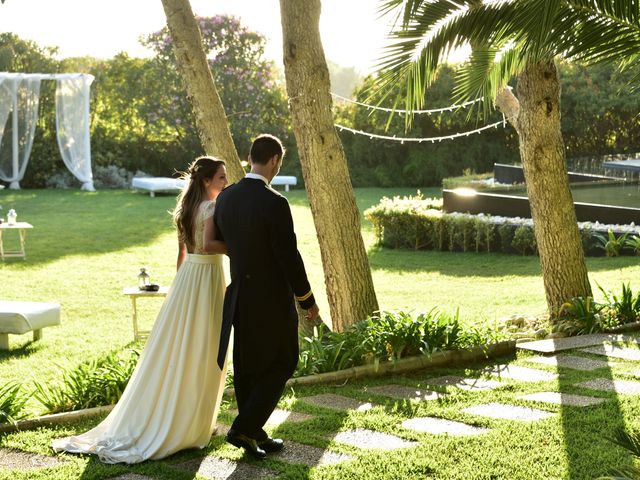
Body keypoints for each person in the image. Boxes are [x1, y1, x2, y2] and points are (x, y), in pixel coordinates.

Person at [52, 157, 229, 464]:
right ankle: (192, 423)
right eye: (222, 178)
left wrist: (177, 292)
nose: (225, 183)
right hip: (207, 278)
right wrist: (237, 244)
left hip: (188, 279)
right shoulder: (211, 209)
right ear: (206, 181)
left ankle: (196, 420)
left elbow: (182, 254)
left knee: (187, 348)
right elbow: (210, 244)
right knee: (205, 347)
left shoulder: (184, 210)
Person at [214, 133, 319, 459]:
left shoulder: (226, 197)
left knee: (248, 366)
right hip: (271, 299)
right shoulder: (275, 202)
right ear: (274, 160)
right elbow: (289, 257)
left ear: (250, 158)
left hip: (240, 296)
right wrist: (307, 299)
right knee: (283, 360)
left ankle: (253, 432)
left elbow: (223, 241)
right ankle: (245, 426)